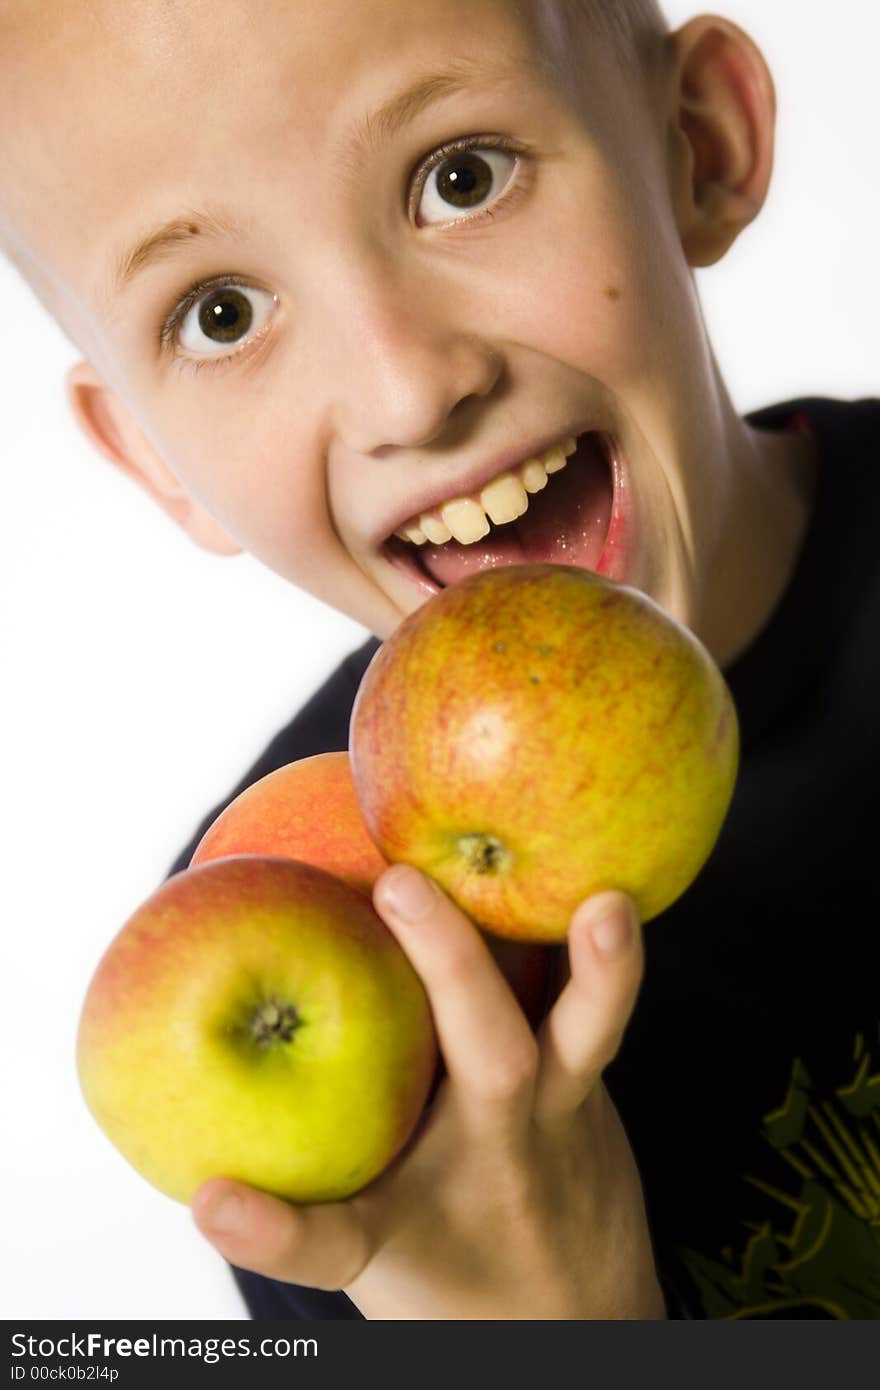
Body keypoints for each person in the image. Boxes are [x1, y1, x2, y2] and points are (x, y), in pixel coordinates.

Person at [2, 0, 877, 1319]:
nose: (409, 388)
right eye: (222, 312)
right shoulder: (288, 941)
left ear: (700, 143)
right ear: (149, 459)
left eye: (461, 177)